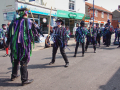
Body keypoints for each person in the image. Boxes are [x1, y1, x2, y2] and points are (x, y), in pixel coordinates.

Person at [6, 8, 39, 86]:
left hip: (15, 45)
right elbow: (35, 35)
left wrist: (8, 43)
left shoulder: (14, 22)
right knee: (23, 61)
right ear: (26, 13)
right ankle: (24, 80)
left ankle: (13, 76)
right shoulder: (29, 21)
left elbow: (9, 33)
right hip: (24, 45)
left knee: (16, 59)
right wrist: (36, 27)